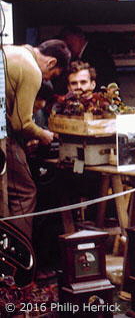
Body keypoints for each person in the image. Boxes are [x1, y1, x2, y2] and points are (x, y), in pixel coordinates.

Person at [3, 40, 71, 239]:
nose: (46, 79)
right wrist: (44, 135)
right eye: (52, 74)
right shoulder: (32, 69)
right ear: (51, 63)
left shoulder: (14, 51)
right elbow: (21, 124)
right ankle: (19, 256)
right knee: (24, 192)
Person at [59, 25, 118, 91]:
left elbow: (108, 81)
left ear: (80, 38)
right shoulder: (76, 57)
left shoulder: (97, 54)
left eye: (70, 45)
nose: (69, 50)